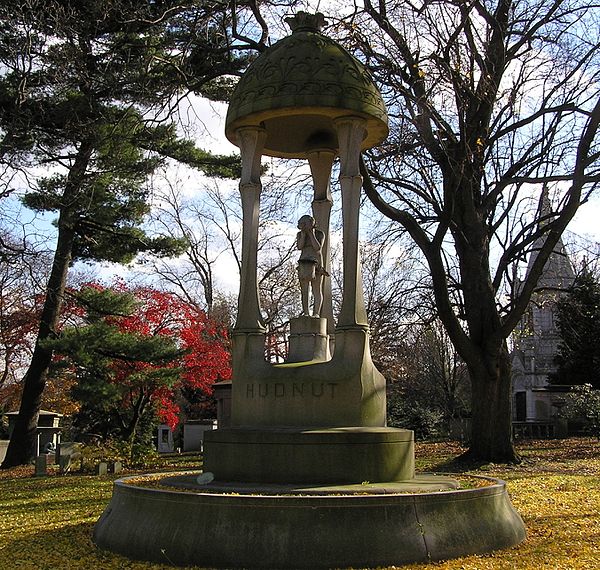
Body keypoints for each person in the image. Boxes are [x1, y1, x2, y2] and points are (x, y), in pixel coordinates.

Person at [296, 215, 327, 317]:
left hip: (316, 261)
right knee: (304, 290)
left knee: (316, 289)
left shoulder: (319, 234)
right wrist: (304, 236)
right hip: (304, 261)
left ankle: (316, 313)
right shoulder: (300, 234)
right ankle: (306, 312)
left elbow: (317, 247)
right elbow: (299, 247)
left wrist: (311, 234)